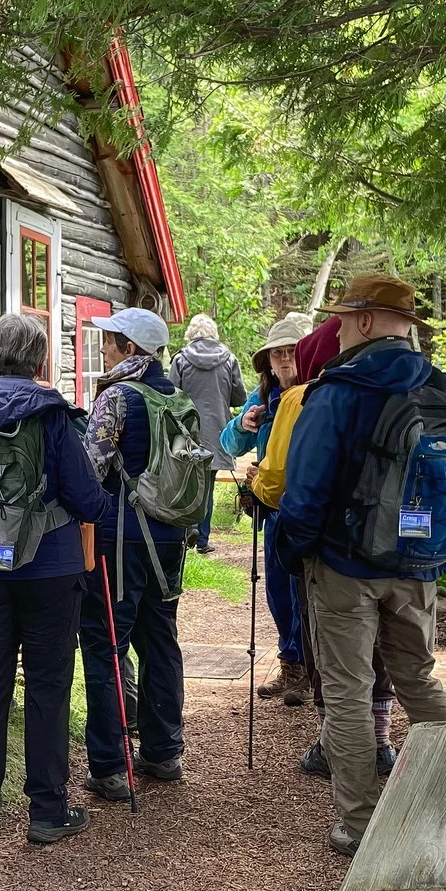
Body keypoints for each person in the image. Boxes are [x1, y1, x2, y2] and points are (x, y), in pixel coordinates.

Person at [279, 274, 446, 857]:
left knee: (349, 690)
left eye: (338, 321)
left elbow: (305, 491)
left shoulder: (337, 390)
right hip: (418, 561)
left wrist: (294, 547)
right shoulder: (438, 386)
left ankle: (357, 825)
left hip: (344, 564)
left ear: (360, 321)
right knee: (419, 677)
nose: (331, 333)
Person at [0, 313, 111, 846]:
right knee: (48, 687)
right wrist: (103, 502)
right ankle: (47, 811)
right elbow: (83, 498)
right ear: (40, 360)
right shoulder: (53, 417)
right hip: (50, 570)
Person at [255, 316, 400, 778]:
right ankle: (381, 740)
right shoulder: (397, 389)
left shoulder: (306, 398)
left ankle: (334, 746)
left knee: (332, 650)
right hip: (396, 542)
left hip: (331, 546)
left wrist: (258, 491)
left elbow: (279, 483)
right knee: (383, 646)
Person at [79, 307, 189, 800]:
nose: (103, 349)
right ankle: (163, 751)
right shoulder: (179, 398)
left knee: (107, 643)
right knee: (160, 639)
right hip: (169, 537)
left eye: (111, 342)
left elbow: (90, 468)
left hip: (120, 538)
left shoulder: (116, 398)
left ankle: (108, 765)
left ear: (131, 350)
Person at [220, 312, 311, 703]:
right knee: (278, 590)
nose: (285, 361)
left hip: (310, 509)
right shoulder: (263, 399)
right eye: (277, 355)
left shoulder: (319, 393)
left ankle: (313, 668)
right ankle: (293, 665)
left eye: (292, 352)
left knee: (307, 590)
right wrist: (243, 425)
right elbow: (227, 445)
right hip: (273, 510)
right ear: (268, 362)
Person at [169, 313, 246, 553]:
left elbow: (170, 395)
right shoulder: (229, 359)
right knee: (208, 486)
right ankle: (202, 539)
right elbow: (240, 397)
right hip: (216, 431)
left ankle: (185, 531)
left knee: (185, 484)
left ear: (191, 335)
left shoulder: (181, 359)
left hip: (186, 431)